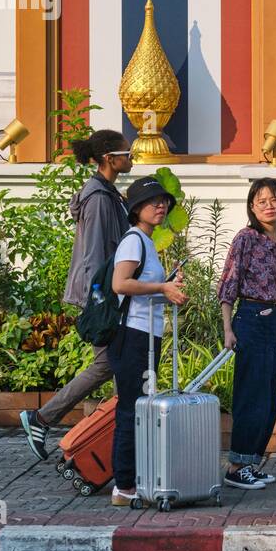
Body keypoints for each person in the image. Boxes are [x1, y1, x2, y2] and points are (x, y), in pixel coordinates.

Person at [20, 129, 132, 461]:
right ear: (110, 159)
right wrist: (105, 298)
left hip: (108, 293)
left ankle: (118, 445)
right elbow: (94, 256)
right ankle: (42, 418)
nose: (131, 158)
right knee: (108, 364)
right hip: (102, 296)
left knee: (117, 365)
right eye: (126, 153)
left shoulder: (107, 193)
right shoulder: (98, 199)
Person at [106, 175, 188, 506]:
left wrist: (167, 286)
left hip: (146, 336)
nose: (161, 205)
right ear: (136, 208)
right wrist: (161, 288)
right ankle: (124, 486)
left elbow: (142, 288)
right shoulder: (133, 241)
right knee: (131, 409)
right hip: (132, 336)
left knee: (140, 407)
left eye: (164, 201)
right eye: (153, 201)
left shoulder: (149, 242)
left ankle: (133, 479)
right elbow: (120, 284)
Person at [217, 178, 276, 490]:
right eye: (261, 201)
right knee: (250, 395)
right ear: (252, 207)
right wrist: (227, 328)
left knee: (268, 397)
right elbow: (228, 284)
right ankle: (235, 467)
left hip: (275, 319)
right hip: (250, 317)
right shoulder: (246, 238)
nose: (268, 206)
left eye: (274, 199)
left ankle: (251, 461)